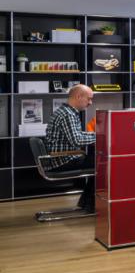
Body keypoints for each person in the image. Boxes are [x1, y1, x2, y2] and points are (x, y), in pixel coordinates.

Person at [44, 84, 96, 212]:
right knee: (105, 164)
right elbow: (77, 140)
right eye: (88, 99)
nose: (90, 103)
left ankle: (87, 203)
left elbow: (77, 135)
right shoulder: (68, 115)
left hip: (60, 158)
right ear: (79, 96)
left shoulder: (66, 111)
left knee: (99, 160)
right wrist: (101, 137)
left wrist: (95, 135)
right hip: (63, 160)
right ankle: (90, 204)